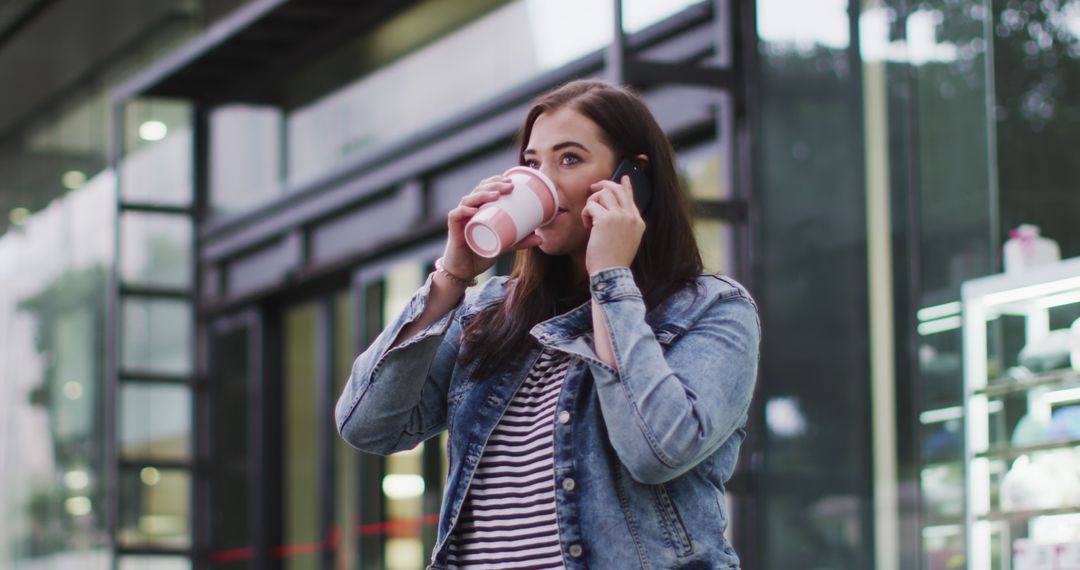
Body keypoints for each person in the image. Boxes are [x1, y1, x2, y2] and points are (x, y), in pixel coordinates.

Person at [335, 79, 760, 569]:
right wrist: (450, 280)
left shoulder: (710, 309)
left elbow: (655, 451)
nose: (543, 179)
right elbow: (366, 426)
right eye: (532, 163)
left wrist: (610, 278)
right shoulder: (490, 311)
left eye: (570, 159)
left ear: (632, 180)